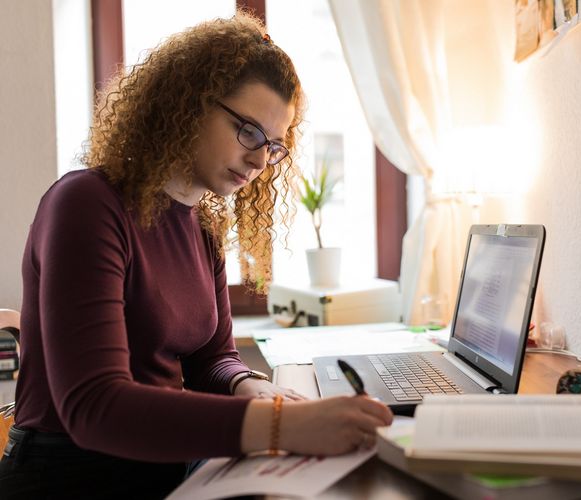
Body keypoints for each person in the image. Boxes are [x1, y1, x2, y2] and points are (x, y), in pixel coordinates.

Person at [0, 12, 392, 499]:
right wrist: (278, 426)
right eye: (248, 131)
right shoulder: (86, 204)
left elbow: (213, 357)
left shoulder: (201, 225)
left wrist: (248, 385)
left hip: (165, 470)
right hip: (69, 477)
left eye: (274, 146)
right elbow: (93, 407)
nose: (259, 160)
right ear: (186, 105)